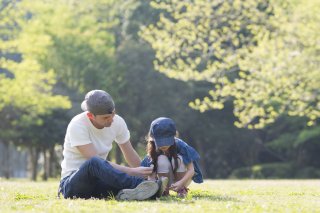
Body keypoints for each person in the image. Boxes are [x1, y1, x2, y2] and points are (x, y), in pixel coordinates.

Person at [58, 90, 167, 200]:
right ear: (90, 115)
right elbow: (95, 160)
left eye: (113, 114)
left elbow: (129, 154)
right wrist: (131, 171)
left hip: (98, 183)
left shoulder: (118, 122)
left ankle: (148, 189)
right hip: (72, 185)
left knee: (121, 178)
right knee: (94, 162)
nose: (111, 120)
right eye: (105, 117)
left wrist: (145, 173)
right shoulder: (77, 125)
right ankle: (141, 185)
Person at [141, 117, 203, 198]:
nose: (164, 145)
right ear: (153, 139)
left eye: (167, 141)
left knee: (178, 159)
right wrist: (153, 187)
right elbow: (150, 174)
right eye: (160, 141)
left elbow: (191, 170)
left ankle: (181, 189)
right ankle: (164, 190)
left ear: (174, 136)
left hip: (183, 179)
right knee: (161, 159)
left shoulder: (182, 146)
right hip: (164, 179)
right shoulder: (153, 149)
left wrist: (181, 182)